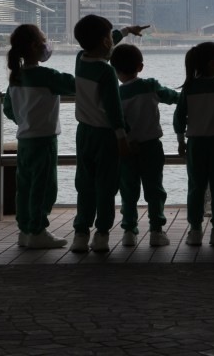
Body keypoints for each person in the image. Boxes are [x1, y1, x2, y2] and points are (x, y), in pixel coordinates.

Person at [3, 24, 74, 250]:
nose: (47, 45)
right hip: (44, 140)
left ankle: (25, 230)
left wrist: (25, 120)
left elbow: (8, 110)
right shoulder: (47, 75)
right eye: (44, 40)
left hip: (24, 140)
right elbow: (77, 86)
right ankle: (38, 230)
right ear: (35, 46)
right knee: (43, 187)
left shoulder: (15, 78)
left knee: (24, 187)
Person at [69, 15, 135, 254]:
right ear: (104, 42)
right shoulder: (107, 72)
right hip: (107, 136)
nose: (112, 40)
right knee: (106, 187)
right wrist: (122, 138)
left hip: (83, 132)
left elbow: (102, 44)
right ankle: (102, 234)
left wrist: (125, 31)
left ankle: (80, 233)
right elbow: (114, 108)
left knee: (84, 184)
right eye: (109, 37)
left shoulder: (79, 60)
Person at [110, 43, 179, 248]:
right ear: (140, 66)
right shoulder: (150, 85)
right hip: (151, 147)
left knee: (128, 191)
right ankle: (156, 231)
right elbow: (172, 96)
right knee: (155, 189)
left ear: (115, 71)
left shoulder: (116, 95)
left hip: (126, 148)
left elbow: (116, 121)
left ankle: (129, 231)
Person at [173, 42, 214, 246]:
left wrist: (181, 140)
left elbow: (179, 116)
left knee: (196, 187)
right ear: (211, 64)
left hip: (195, 144)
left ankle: (195, 230)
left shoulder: (189, 87)